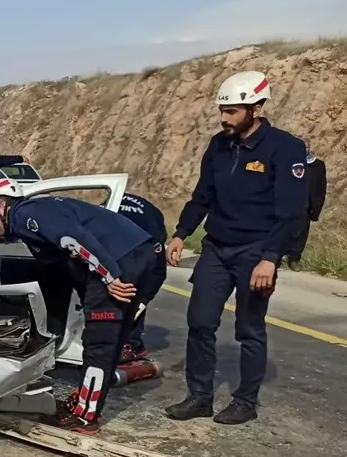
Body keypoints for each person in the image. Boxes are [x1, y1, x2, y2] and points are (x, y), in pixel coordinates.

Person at [164, 71, 307, 426]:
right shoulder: (218, 144)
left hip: (256, 251)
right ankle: (199, 397)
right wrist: (181, 233)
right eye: (222, 110)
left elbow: (291, 213)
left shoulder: (285, 148)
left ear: (257, 108)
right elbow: (202, 196)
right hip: (217, 247)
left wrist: (270, 259)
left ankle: (245, 401)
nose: (225, 118)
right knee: (199, 323)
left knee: (249, 329)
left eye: (233, 111)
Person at [0, 178, 161, 435]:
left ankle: (85, 417)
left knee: (98, 343)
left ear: (2, 205)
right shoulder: (42, 211)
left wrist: (110, 277)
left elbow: (74, 239)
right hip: (142, 252)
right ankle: (87, 404)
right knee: (111, 342)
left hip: (118, 260)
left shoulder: (24, 215)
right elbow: (60, 257)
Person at [116, 192, 168, 362]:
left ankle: (133, 345)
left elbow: (158, 273)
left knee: (134, 289)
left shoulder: (152, 237)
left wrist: (141, 304)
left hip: (148, 220)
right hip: (114, 226)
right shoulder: (97, 229)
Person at [286, 140, 326, 272]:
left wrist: (317, 207)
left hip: (306, 204)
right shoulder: (289, 162)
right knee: (284, 230)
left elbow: (321, 188)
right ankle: (277, 256)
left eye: (306, 147)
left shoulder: (318, 165)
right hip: (289, 202)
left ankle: (294, 259)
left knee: (301, 233)